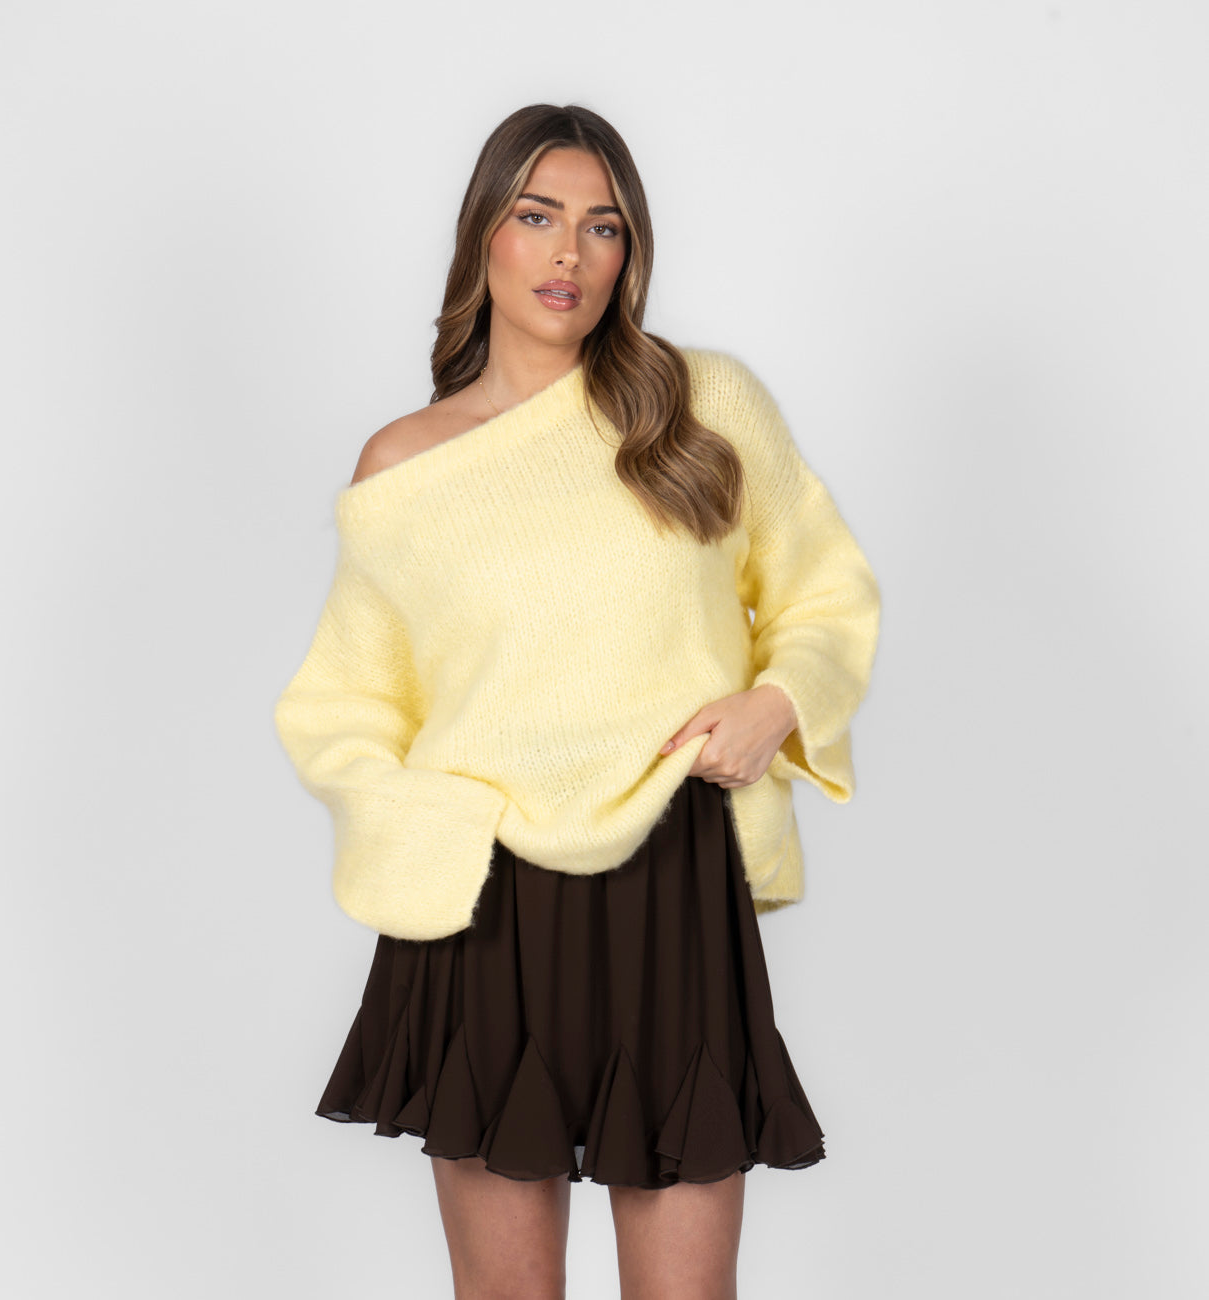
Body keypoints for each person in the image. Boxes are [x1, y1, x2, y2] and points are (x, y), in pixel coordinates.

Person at [273, 103, 881, 1299]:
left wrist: (777, 701)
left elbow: (823, 592)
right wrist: (428, 828)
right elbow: (346, 704)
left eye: (603, 226)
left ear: (629, 252)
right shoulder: (404, 465)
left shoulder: (700, 403)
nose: (569, 253)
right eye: (537, 216)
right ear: (482, 238)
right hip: (489, 904)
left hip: (673, 885)